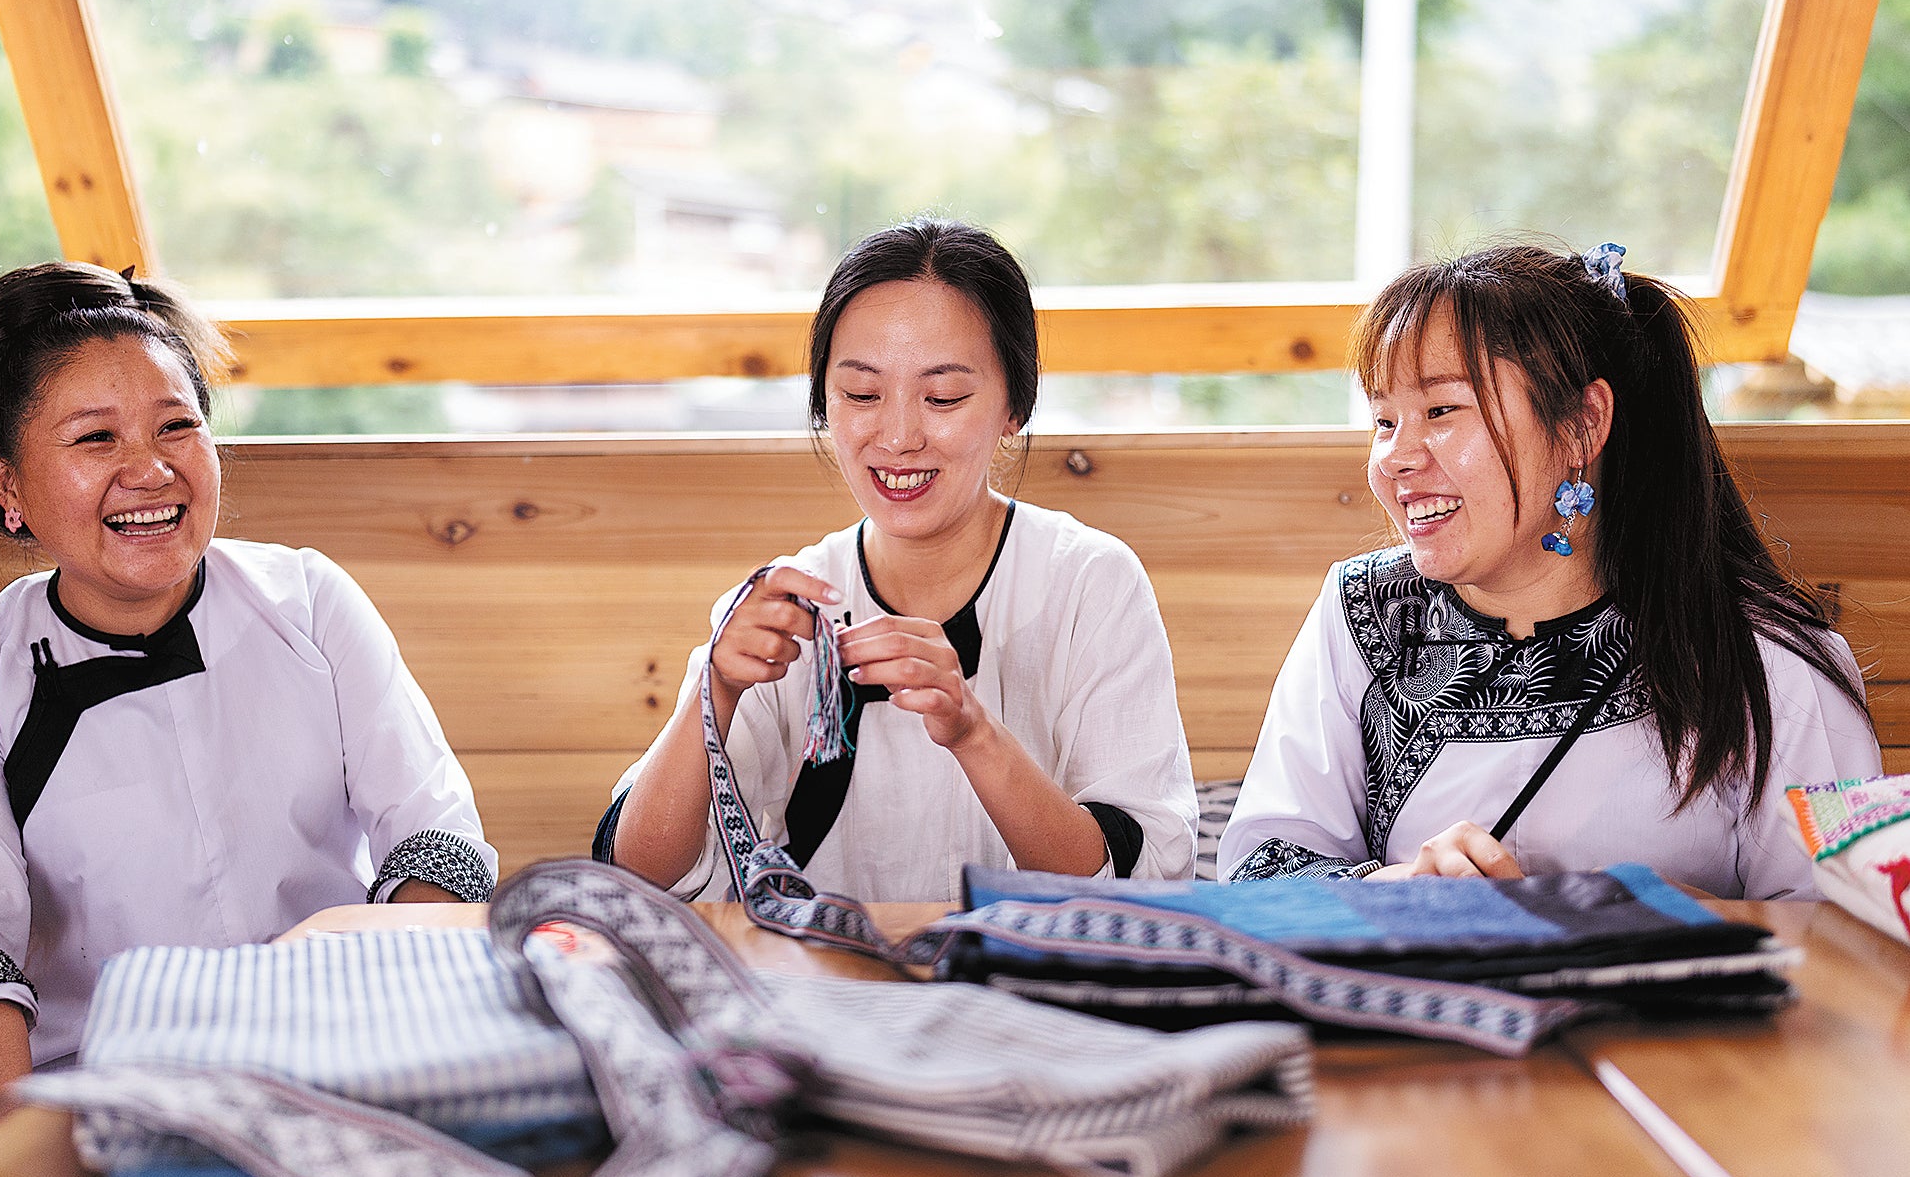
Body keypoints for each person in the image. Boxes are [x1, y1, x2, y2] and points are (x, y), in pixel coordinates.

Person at [0, 261, 497, 1139]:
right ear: (10, 484)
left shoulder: (310, 600)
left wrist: (394, 1060)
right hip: (93, 1106)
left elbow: (436, 841)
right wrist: (21, 1176)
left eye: (178, 425)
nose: (151, 469)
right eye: (95, 439)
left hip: (337, 1072)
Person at [1219, 243, 1880, 896]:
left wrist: (1623, 919)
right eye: (1384, 419)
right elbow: (1260, 866)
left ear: (1581, 424)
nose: (1395, 456)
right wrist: (1401, 886)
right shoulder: (1364, 613)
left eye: (1441, 410)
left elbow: (1844, 943)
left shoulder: (1765, 659)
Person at [597, 219, 1198, 902]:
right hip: (826, 984)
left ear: (1014, 407)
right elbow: (640, 875)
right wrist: (718, 690)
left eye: (943, 397)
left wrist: (973, 731)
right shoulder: (784, 609)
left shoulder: (1091, 582)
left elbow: (1145, 876)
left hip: (1030, 988)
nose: (899, 436)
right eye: (861, 394)